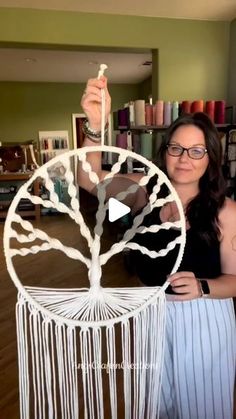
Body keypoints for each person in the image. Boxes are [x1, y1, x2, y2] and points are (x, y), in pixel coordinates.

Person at [80, 76, 236, 418]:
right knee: (155, 406)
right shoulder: (143, 192)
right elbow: (88, 179)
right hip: (149, 315)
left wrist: (203, 286)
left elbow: (235, 280)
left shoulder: (226, 212)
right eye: (176, 148)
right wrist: (94, 125)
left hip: (204, 319)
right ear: (164, 151)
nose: (185, 158)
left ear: (211, 157)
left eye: (197, 151)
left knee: (203, 408)